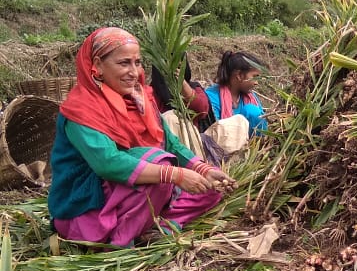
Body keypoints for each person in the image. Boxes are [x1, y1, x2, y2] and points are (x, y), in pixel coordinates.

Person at [48, 27, 236, 247]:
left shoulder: (140, 99)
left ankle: (160, 226)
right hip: (89, 207)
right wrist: (174, 175)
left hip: (134, 194)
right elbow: (108, 163)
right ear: (97, 65)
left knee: (210, 187)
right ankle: (120, 241)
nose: (134, 72)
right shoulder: (82, 109)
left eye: (137, 62)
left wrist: (204, 170)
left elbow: (171, 143)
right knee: (159, 164)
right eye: (124, 63)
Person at [205, 51, 267, 138]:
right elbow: (215, 130)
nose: (257, 83)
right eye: (255, 77)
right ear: (239, 75)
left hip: (253, 147)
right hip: (224, 144)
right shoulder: (211, 97)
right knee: (251, 111)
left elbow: (263, 122)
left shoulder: (252, 97)